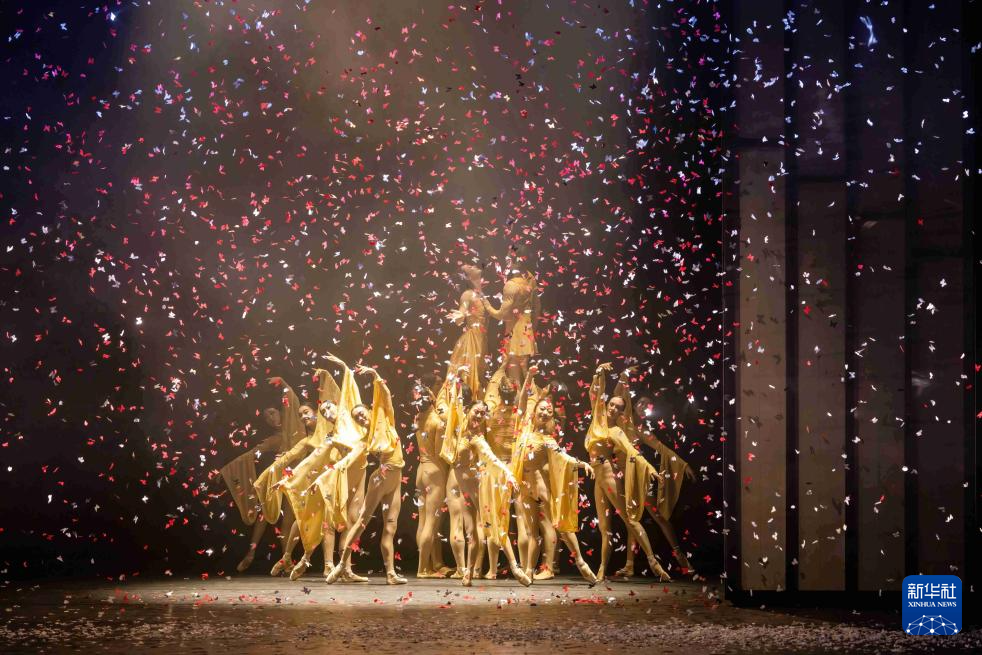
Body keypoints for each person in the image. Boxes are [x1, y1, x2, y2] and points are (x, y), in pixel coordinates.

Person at [439, 378, 531, 587]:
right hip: (465, 491)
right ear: (468, 411)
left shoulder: (477, 439)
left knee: (493, 526)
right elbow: (455, 405)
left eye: (483, 414)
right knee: (472, 534)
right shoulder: (459, 430)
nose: (479, 417)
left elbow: (492, 457)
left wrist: (508, 473)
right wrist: (457, 379)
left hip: (479, 489)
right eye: (477, 412)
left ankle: (515, 567)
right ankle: (468, 573)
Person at [511, 367, 597, 584]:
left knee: (559, 525)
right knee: (532, 533)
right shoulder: (523, 427)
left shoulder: (547, 439)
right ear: (534, 411)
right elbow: (523, 400)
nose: (545, 412)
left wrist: (582, 463)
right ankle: (529, 572)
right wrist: (529, 377)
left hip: (540, 487)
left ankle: (581, 563)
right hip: (524, 488)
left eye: (548, 411)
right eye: (541, 409)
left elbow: (563, 456)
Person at [585, 363, 670, 582]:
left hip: (608, 474)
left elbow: (633, 451)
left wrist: (651, 469)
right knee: (605, 527)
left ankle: (653, 562)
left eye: (618, 408)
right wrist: (599, 372)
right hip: (597, 477)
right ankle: (602, 568)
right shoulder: (597, 419)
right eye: (611, 405)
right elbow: (595, 393)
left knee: (629, 519)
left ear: (622, 412)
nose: (613, 409)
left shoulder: (616, 431)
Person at [609, 374, 698, 578]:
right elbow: (618, 395)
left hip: (636, 474)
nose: (644, 407)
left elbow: (662, 448)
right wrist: (624, 376)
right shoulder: (624, 418)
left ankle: (680, 556)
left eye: (648, 405)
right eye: (641, 403)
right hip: (620, 474)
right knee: (631, 518)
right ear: (634, 404)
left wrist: (683, 465)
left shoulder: (641, 429)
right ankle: (629, 565)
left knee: (657, 515)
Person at [326, 366, 407, 584]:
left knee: (390, 526)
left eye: (361, 414)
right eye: (356, 418)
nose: (360, 418)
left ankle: (390, 574)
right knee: (362, 521)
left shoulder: (387, 420)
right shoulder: (366, 438)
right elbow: (353, 454)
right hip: (381, 477)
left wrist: (375, 374)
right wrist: (337, 464)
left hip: (396, 478)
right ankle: (342, 565)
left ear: (370, 411)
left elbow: (386, 396)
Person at [247, 376, 325, 575]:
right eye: (301, 414)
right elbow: (286, 458)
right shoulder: (305, 440)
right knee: (300, 519)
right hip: (304, 480)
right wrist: (260, 482)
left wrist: (284, 383)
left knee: (326, 522)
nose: (303, 417)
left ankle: (325, 564)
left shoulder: (327, 430)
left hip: (330, 476)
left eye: (307, 413)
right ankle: (287, 557)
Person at [414, 374, 455, 578]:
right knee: (431, 522)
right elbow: (440, 453)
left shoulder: (417, 418)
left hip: (421, 469)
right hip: (434, 470)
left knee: (423, 522)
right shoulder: (437, 423)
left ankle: (428, 565)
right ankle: (423, 569)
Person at [481, 262, 538, 389]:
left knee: (515, 378)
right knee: (526, 376)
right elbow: (536, 308)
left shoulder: (511, 285)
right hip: (527, 330)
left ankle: (518, 400)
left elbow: (501, 314)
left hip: (515, 333)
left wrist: (486, 304)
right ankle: (528, 399)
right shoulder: (530, 280)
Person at [445, 264, 489, 398]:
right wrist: (460, 315)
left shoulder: (481, 294)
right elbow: (461, 316)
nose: (473, 265)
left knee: (480, 375)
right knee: (469, 375)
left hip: (482, 339)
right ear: (467, 276)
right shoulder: (467, 294)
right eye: (469, 267)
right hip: (472, 341)